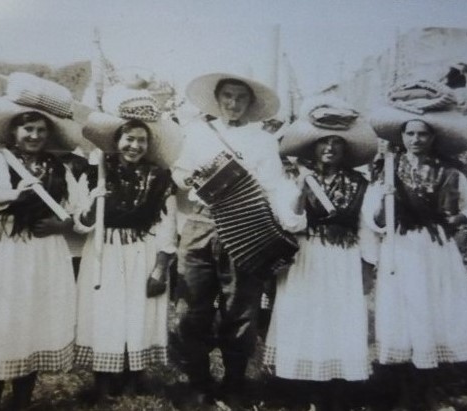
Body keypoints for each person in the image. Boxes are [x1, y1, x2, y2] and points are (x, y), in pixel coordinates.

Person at [0, 73, 90, 411]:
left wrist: (63, 225)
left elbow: (78, 213)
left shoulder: (59, 167)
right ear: (14, 132)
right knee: (0, 323)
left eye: (41, 131)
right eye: (28, 129)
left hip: (44, 254)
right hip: (4, 252)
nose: (34, 136)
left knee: (32, 324)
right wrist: (19, 193)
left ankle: (21, 402)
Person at [171, 73, 303, 406]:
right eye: (227, 96)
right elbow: (179, 171)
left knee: (240, 310)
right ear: (217, 100)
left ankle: (234, 383)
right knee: (191, 308)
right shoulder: (197, 133)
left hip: (243, 228)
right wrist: (189, 177)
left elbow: (273, 186)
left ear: (250, 103)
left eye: (240, 98)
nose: (233, 103)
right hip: (200, 224)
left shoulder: (262, 140)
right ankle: (199, 382)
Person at [363, 80, 467, 410]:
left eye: (423, 134)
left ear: (433, 137)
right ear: (401, 137)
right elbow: (371, 214)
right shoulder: (387, 170)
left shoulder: (450, 172)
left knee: (436, 308)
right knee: (405, 309)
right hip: (401, 247)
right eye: (410, 134)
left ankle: (436, 382)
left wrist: (457, 220)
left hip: (435, 250)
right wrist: (385, 207)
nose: (416, 140)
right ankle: (404, 387)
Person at [263, 96, 378, 411]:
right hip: (306, 256)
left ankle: (334, 390)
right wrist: (303, 189)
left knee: (338, 320)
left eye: (336, 143)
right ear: (311, 148)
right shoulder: (293, 180)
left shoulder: (359, 184)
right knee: (302, 318)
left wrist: (368, 267)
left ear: (345, 150)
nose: (329, 148)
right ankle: (298, 389)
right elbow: (291, 222)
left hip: (342, 258)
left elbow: (365, 227)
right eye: (323, 142)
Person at [72, 85, 181, 401]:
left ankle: (135, 381)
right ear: (117, 141)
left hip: (141, 250)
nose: (135, 146)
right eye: (129, 139)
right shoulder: (95, 172)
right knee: (104, 313)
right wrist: (94, 201)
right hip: (104, 252)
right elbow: (81, 223)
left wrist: (161, 267)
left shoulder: (159, 177)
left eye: (141, 140)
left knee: (139, 312)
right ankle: (103, 384)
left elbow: (167, 224)